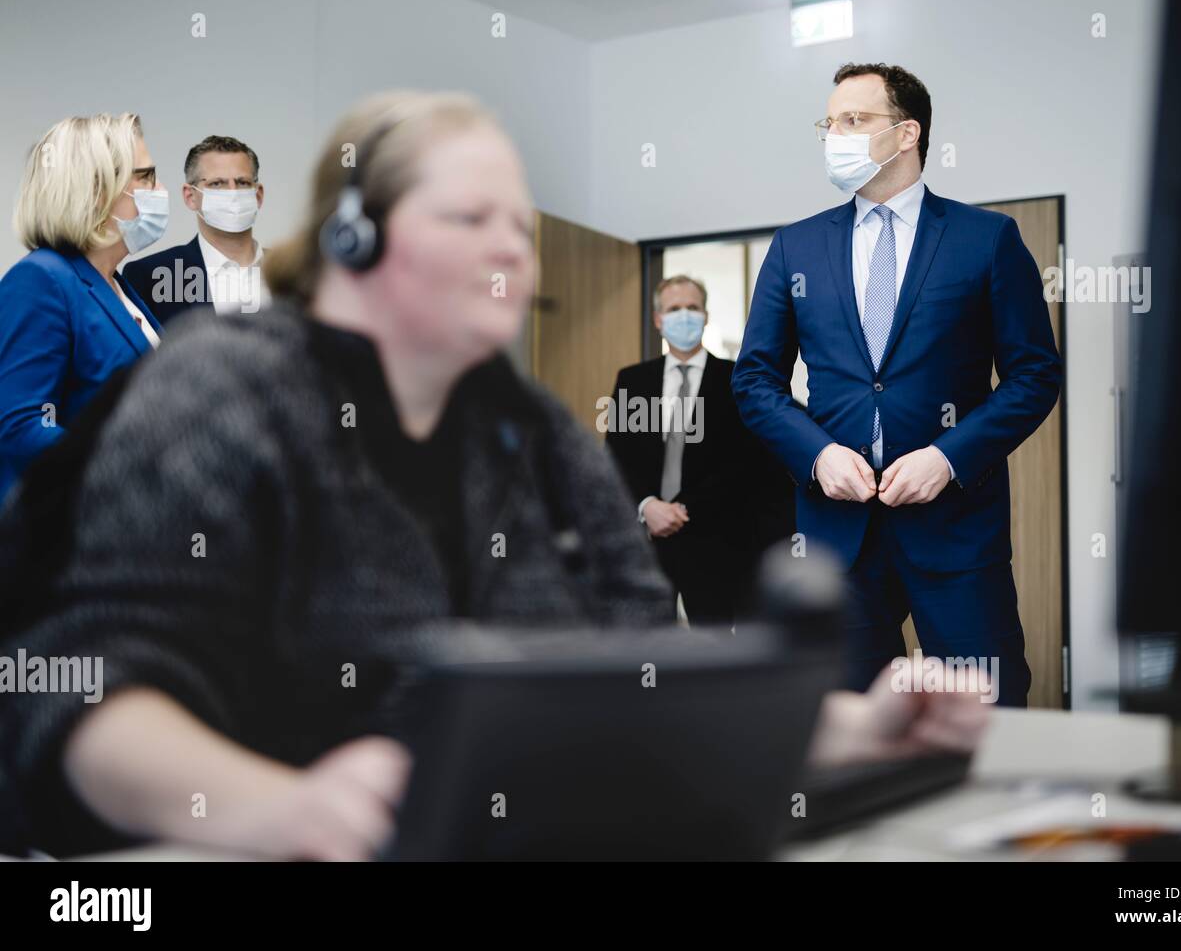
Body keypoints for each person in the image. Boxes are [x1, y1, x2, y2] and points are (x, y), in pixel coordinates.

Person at [0, 91, 988, 861]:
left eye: (519, 225)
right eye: (472, 216)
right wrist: (278, 807)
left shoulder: (532, 429)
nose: (511, 246)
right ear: (354, 238)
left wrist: (851, 722)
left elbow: (643, 663)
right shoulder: (222, 385)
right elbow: (81, 695)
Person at [733, 63, 1062, 705]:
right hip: (835, 539)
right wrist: (817, 454)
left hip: (957, 530)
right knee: (844, 726)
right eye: (829, 124)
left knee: (987, 714)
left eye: (854, 120)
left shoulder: (987, 239)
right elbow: (754, 380)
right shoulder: (795, 247)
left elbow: (1034, 374)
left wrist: (948, 457)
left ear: (907, 132)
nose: (836, 136)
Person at [0, 113, 165, 503]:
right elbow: (21, 426)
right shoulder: (42, 279)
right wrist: (130, 475)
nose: (159, 189)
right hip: (70, 541)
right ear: (96, 190)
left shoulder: (115, 284)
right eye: (145, 177)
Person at [605, 275, 750, 624]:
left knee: (712, 640)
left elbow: (744, 462)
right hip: (647, 539)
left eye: (692, 308)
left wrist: (682, 509)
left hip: (714, 538)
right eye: (674, 309)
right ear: (658, 319)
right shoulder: (633, 380)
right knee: (650, 644)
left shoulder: (737, 379)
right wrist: (646, 507)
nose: (684, 315)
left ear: (705, 315)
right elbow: (616, 456)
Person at [123, 134, 268, 324]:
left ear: (258, 195)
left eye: (242, 182)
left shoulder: (297, 275)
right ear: (190, 196)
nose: (232, 193)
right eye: (217, 184)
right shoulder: (150, 277)